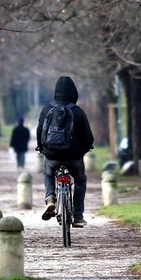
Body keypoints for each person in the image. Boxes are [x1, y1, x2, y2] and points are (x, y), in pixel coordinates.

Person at [36, 76, 95, 227]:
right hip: (73, 156)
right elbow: (88, 137)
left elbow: (39, 131)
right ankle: (78, 216)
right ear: (73, 93)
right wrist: (84, 149)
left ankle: (50, 199)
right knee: (80, 181)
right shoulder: (77, 111)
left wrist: (41, 148)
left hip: (52, 155)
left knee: (48, 173)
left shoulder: (47, 109)